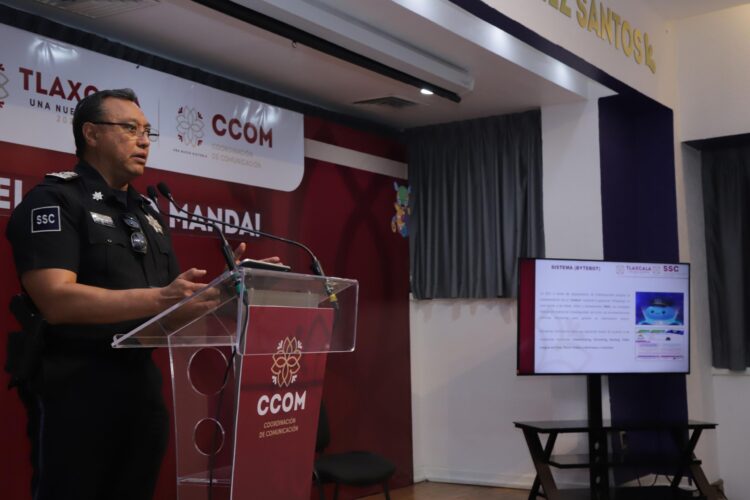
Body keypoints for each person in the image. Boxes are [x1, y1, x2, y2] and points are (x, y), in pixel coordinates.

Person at [5, 88, 274, 500]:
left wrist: (225, 290)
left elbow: (169, 312)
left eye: (148, 131)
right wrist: (160, 298)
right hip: (76, 389)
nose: (144, 140)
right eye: (130, 129)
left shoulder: (148, 212)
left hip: (141, 389)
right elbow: (55, 301)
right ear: (91, 133)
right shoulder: (56, 199)